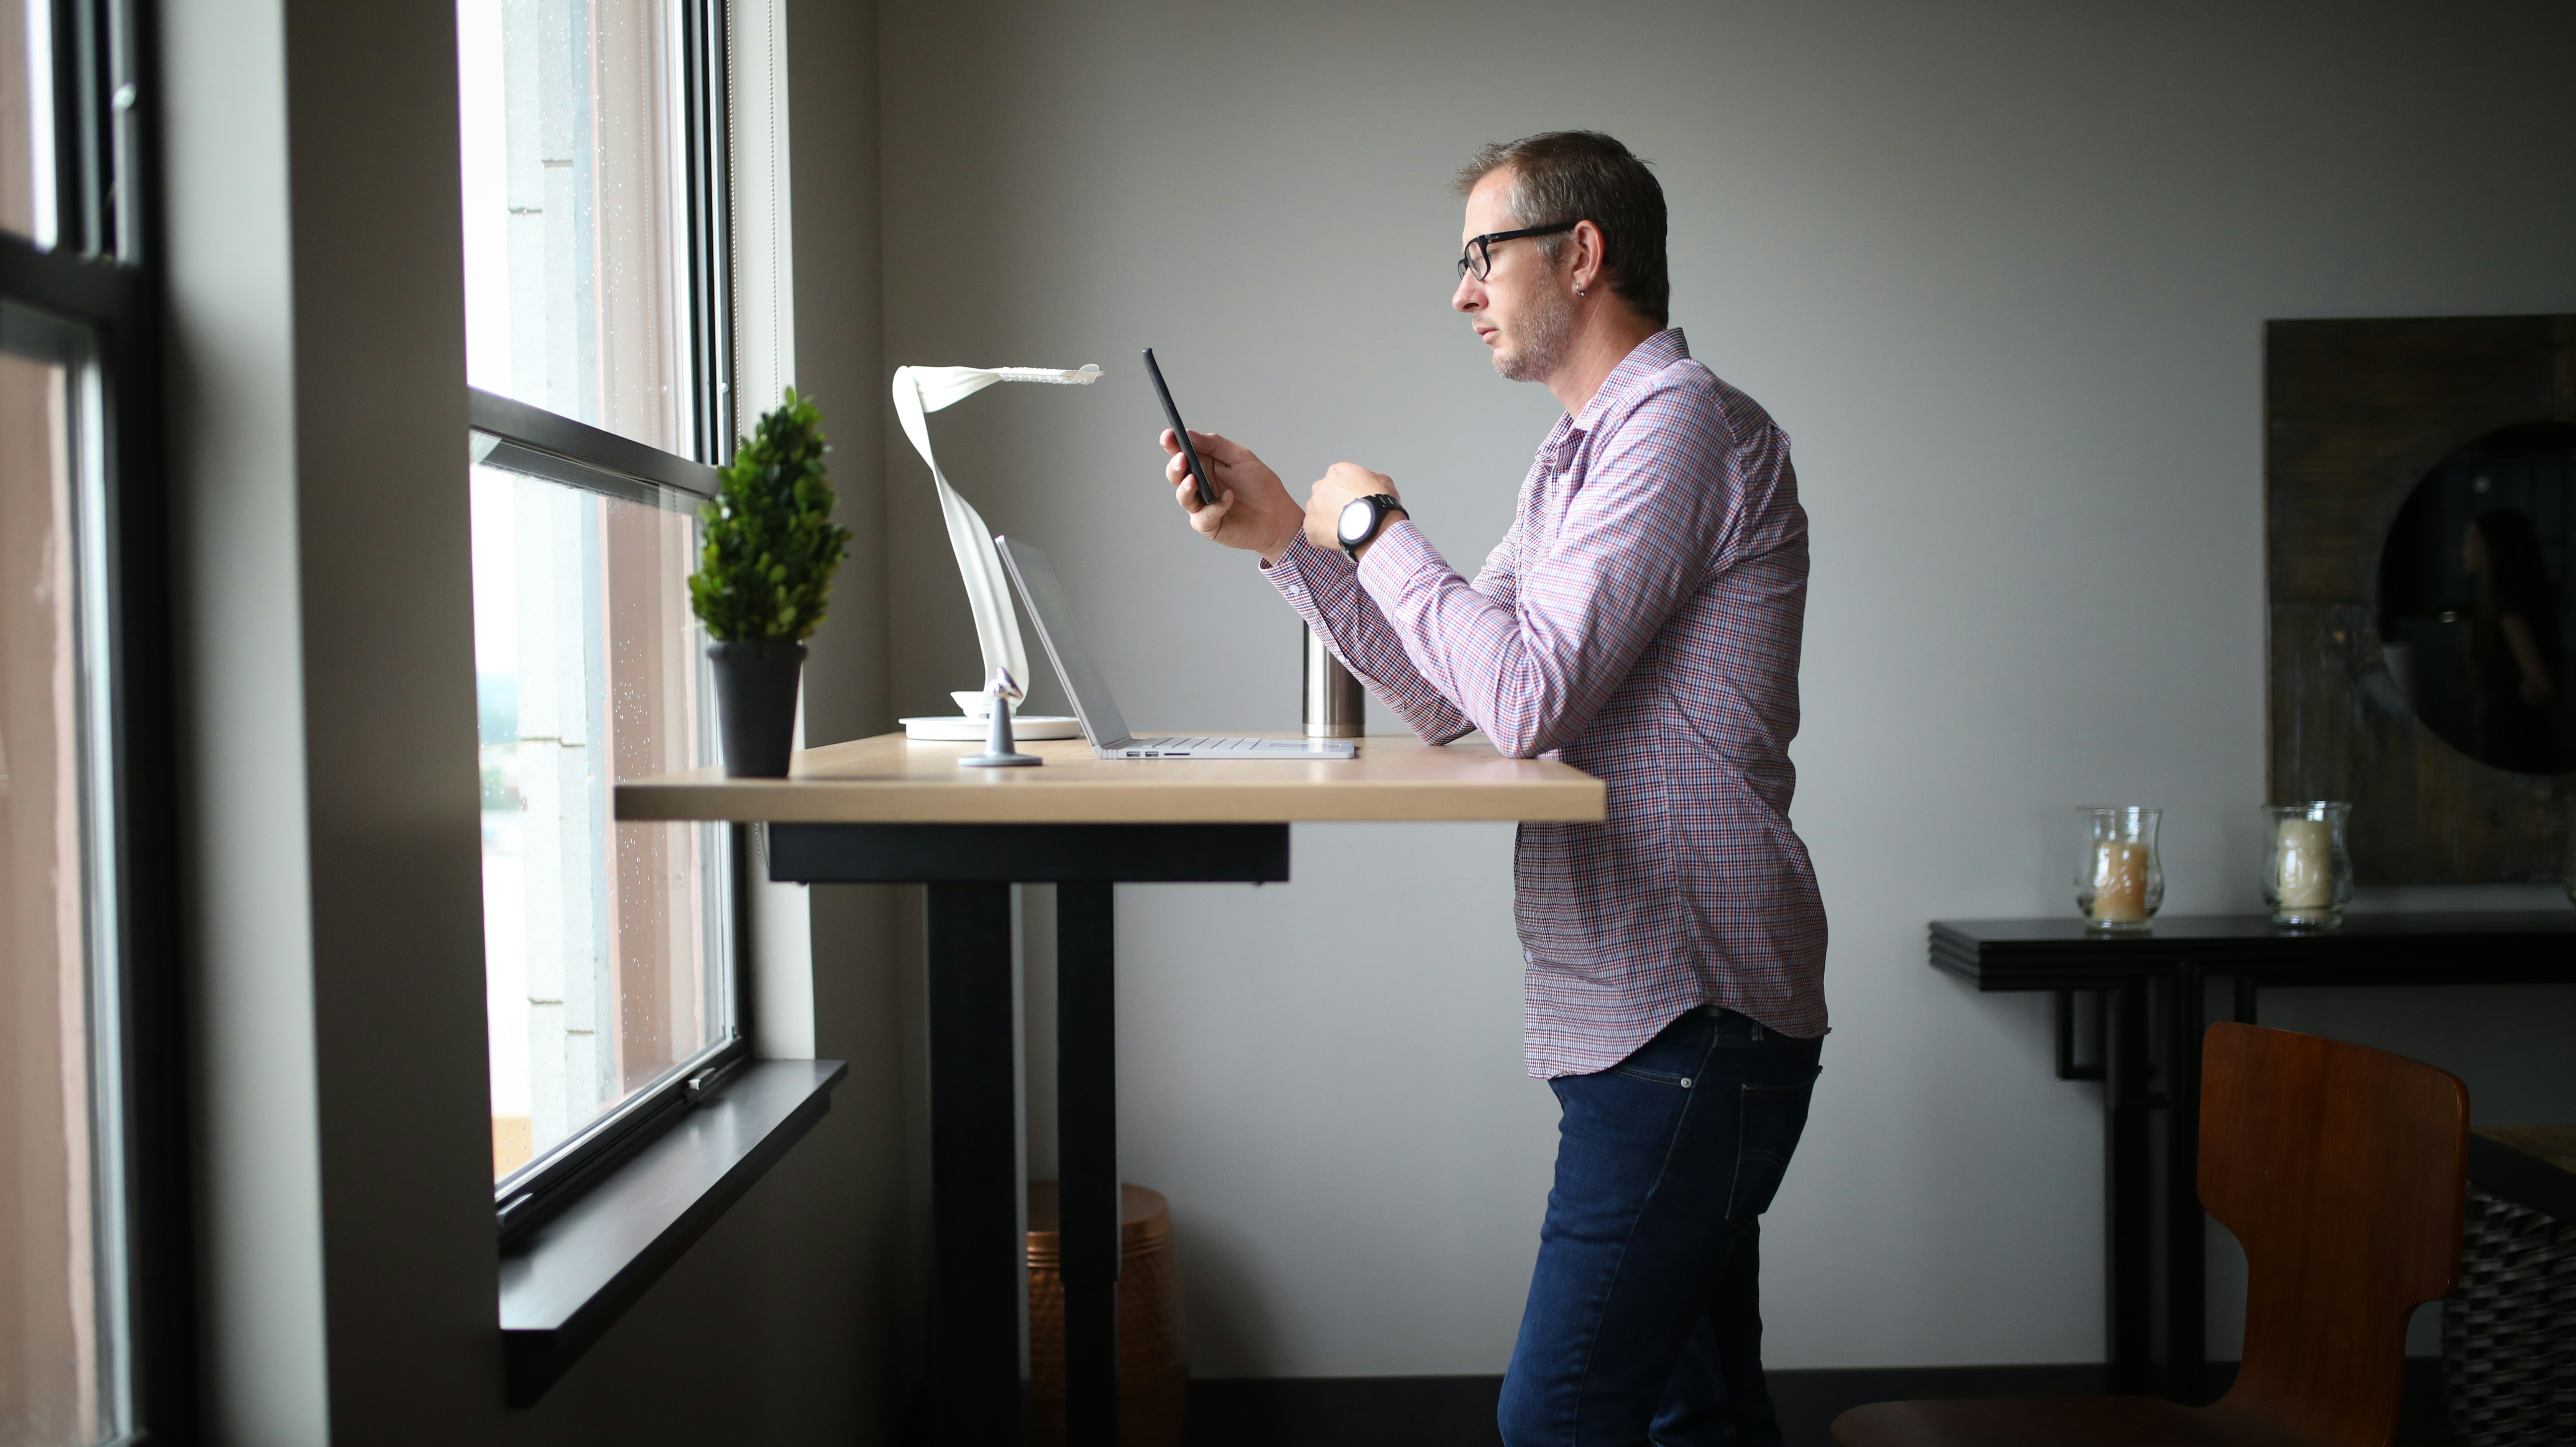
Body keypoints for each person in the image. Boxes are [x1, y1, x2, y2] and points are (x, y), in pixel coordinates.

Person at [1152, 131, 1828, 1447]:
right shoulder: (1574, 458)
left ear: (1581, 254)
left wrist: (1376, 529)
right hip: (1646, 1006)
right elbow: (1457, 693)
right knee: (1693, 1409)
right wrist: (1293, 534)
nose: (1462, 292)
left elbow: (1526, 695)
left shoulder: (1677, 428)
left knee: (1559, 1414)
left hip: (1693, 1008)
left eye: (1482, 256)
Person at [2463, 507, 2564, 773]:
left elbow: (2541, 684)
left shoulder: (2509, 604)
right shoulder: (2524, 596)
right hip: (2525, 733)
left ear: (2494, 546)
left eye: (2473, 537)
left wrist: (2538, 691)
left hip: (2512, 736)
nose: (2465, 546)